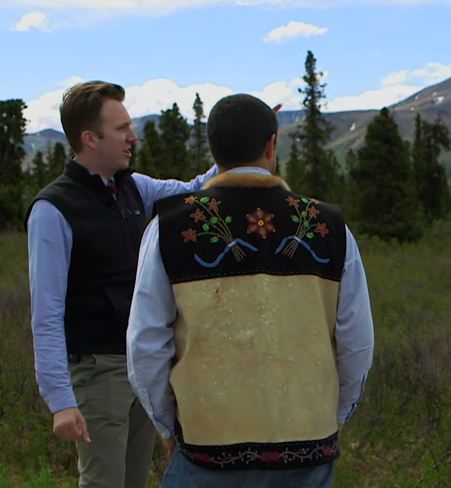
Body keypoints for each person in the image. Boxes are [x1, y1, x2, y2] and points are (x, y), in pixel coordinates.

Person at [25, 81, 274, 488]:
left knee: (134, 481)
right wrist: (61, 402)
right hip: (96, 372)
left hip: (139, 369)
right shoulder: (52, 211)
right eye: (121, 128)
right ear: (90, 138)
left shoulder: (131, 188)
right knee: (103, 482)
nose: (132, 136)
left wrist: (241, 153)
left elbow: (192, 191)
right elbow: (46, 314)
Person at [126, 92, 374, 488]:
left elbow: (145, 344)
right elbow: (356, 341)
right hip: (306, 447)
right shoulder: (328, 227)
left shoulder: (170, 227)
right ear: (271, 144)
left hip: (206, 446)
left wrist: (167, 427)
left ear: (212, 147)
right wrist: (337, 417)